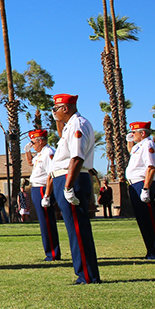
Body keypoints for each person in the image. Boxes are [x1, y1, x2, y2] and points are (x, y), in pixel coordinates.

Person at [45, 93, 101, 285]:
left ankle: (87, 275)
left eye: (55, 109)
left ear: (65, 108)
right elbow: (63, 138)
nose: (53, 113)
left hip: (72, 179)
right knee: (74, 229)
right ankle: (84, 273)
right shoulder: (69, 126)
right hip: (66, 179)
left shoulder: (78, 124)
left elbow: (77, 158)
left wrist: (68, 186)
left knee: (78, 229)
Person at [125, 121, 155, 260]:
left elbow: (151, 167)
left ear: (142, 133)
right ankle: (151, 251)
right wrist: (130, 141)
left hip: (143, 183)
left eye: (134, 133)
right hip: (135, 184)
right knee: (142, 220)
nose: (132, 135)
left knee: (149, 220)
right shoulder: (138, 146)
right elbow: (132, 152)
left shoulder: (148, 144)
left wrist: (146, 188)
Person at [25, 128, 60, 261]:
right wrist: (27, 151)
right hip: (36, 188)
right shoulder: (40, 154)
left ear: (40, 141)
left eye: (33, 143)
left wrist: (47, 195)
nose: (32, 145)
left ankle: (53, 253)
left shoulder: (48, 153)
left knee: (47, 221)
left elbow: (51, 175)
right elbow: (30, 163)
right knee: (43, 221)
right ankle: (49, 251)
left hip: (43, 189)